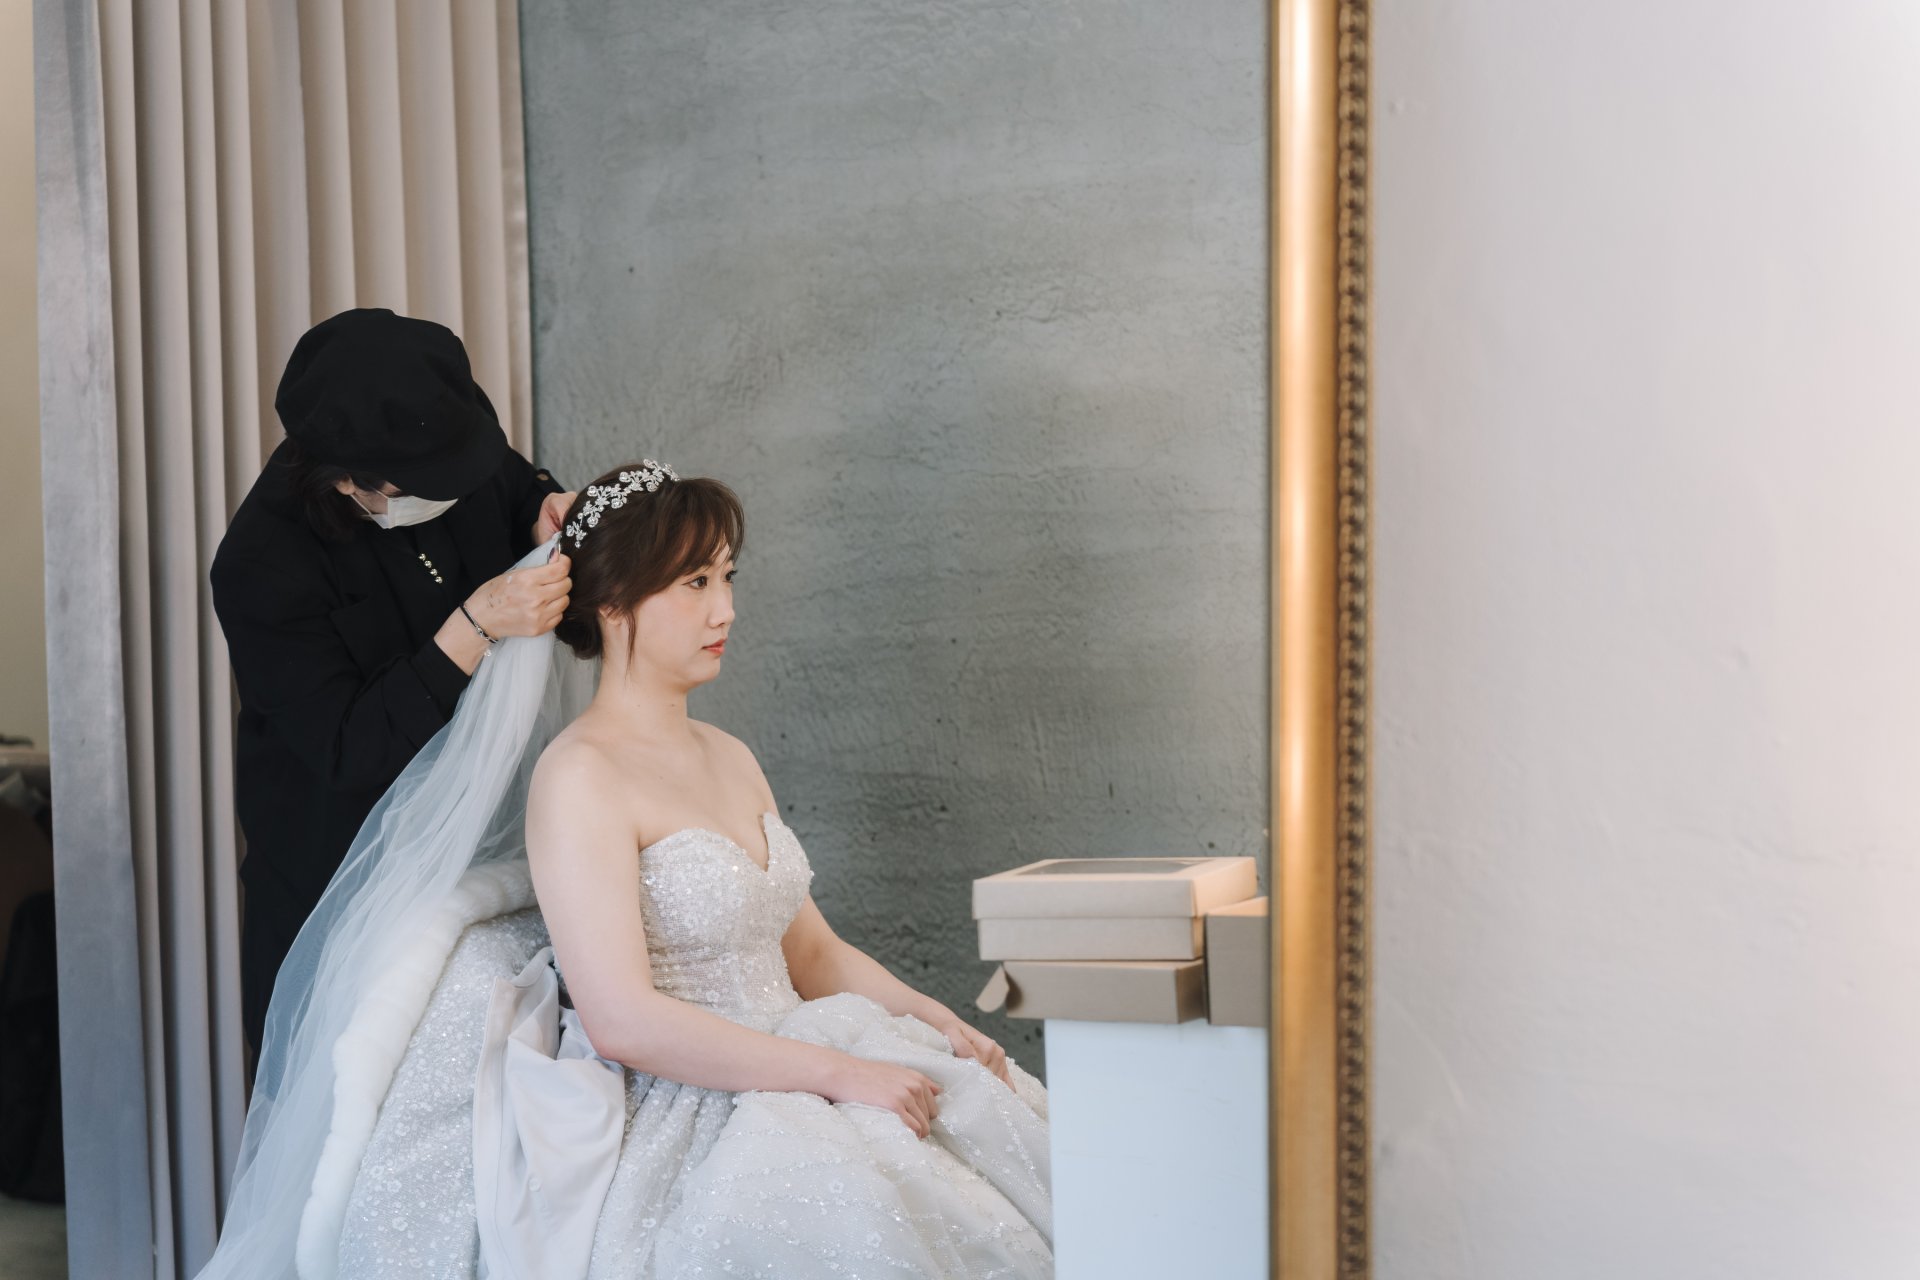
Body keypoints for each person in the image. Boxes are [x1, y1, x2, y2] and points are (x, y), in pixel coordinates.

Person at [195, 461, 1051, 1279]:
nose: (725, 609)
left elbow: (814, 953)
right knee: (840, 1220)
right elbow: (622, 1022)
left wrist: (937, 1020)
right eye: (694, 583)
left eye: (727, 577)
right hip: (691, 1097)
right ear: (612, 602)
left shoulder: (731, 754)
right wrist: (840, 1075)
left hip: (804, 1046)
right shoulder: (579, 776)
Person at [211, 308, 576, 1056]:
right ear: (348, 481)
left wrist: (547, 506)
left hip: (475, 844)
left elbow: (514, 489)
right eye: (427, 486)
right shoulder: (260, 565)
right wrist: (471, 628)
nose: (452, 493)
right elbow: (346, 749)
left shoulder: (444, 442)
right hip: (339, 869)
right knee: (351, 1089)